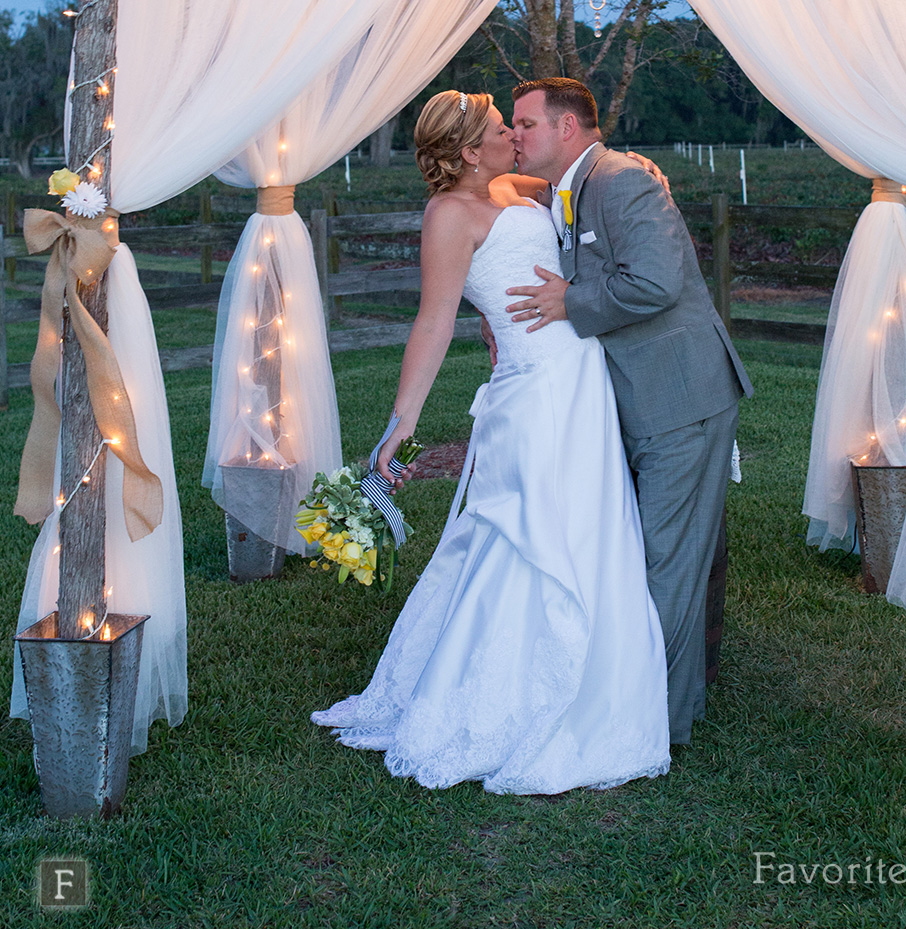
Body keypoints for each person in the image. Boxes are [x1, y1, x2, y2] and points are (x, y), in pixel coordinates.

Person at [311, 90, 671, 794]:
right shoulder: (449, 216)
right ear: (470, 151)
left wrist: (640, 169)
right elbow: (434, 321)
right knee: (525, 533)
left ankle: (597, 670)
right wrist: (403, 422)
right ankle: (499, 697)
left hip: (582, 382)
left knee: (588, 529)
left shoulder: (516, 185)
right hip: (533, 392)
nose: (512, 133)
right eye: (498, 128)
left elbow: (583, 173)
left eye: (514, 124)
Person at [506, 78, 752, 747]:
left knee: (664, 559)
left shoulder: (618, 181)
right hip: (642, 398)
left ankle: (657, 726)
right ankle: (679, 692)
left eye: (526, 124)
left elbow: (655, 280)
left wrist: (570, 300)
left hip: (679, 395)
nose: (515, 136)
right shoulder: (575, 185)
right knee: (669, 552)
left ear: (567, 127)